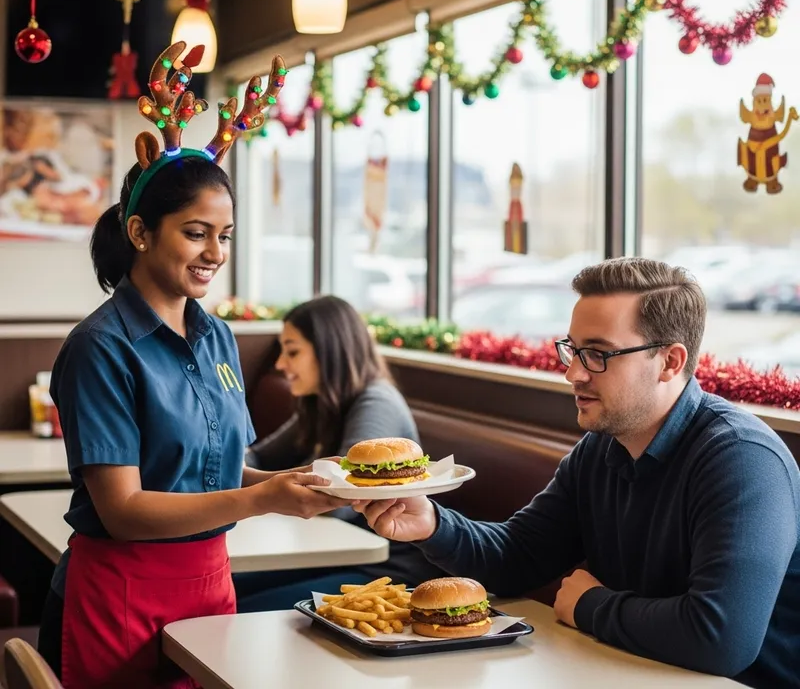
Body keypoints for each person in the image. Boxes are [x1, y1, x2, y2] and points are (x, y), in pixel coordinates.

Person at [36, 42, 349, 689]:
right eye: (195, 232)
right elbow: (123, 510)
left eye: (226, 235)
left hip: (209, 578)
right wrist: (263, 497)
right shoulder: (102, 347)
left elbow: (207, 468)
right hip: (118, 590)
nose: (214, 252)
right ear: (142, 233)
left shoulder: (218, 340)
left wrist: (300, 481)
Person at [356, 257, 800, 688]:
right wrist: (431, 524)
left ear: (670, 361)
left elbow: (721, 641)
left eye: (598, 355)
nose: (572, 373)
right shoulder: (604, 445)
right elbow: (518, 556)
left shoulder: (742, 461)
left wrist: (590, 605)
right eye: (572, 349)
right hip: (628, 671)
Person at [235, 294, 446, 612]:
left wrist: (272, 489)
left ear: (328, 351)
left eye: (292, 352)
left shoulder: (377, 402)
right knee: (226, 585)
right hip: (332, 555)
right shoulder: (323, 403)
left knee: (239, 604)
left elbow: (344, 500)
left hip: (387, 568)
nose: (280, 364)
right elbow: (260, 457)